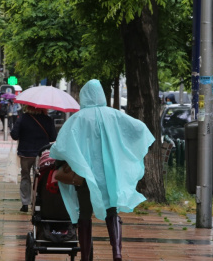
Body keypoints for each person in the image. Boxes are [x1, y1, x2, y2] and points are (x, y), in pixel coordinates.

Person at [49, 79, 155, 261]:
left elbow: (61, 147)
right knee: (112, 211)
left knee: (84, 213)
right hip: (110, 175)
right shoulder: (115, 116)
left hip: (84, 176)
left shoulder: (77, 119)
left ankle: (85, 256)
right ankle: (117, 252)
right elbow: (139, 129)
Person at [10, 105, 57, 212]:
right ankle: (38, 202)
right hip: (42, 154)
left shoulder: (23, 118)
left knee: (25, 177)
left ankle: (25, 203)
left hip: (26, 153)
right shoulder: (48, 119)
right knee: (40, 178)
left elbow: (14, 135)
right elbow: (53, 137)